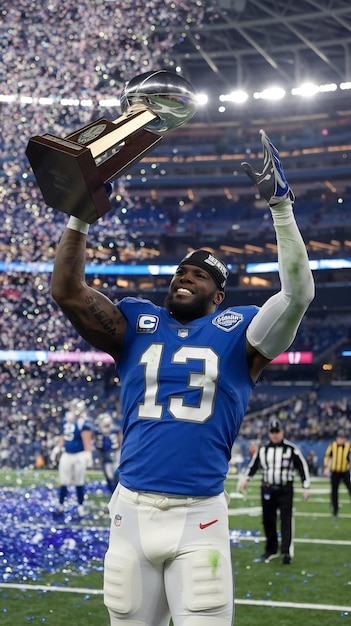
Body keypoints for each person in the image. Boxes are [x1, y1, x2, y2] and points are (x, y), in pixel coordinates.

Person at [50, 129, 314, 626]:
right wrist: (79, 216)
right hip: (129, 510)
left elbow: (298, 295)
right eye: (179, 272)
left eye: (198, 276)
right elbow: (67, 290)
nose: (183, 277)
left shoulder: (239, 333)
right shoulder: (136, 323)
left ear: (219, 297)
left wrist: (281, 208)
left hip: (200, 517)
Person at [238, 416, 310, 565]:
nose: (275, 434)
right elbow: (254, 465)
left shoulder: (291, 449)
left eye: (277, 431)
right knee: (268, 520)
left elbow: (302, 467)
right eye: (272, 431)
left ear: (282, 432)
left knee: (286, 520)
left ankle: (286, 552)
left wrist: (306, 486)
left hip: (285, 489)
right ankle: (271, 549)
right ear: (269, 433)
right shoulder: (262, 449)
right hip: (268, 488)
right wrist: (246, 479)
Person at [50, 398, 93, 517]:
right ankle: (61, 505)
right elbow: (64, 436)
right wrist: (57, 448)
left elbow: (86, 439)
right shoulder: (67, 420)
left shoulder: (84, 422)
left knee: (79, 481)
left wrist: (88, 454)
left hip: (79, 454)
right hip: (67, 454)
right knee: (63, 481)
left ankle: (80, 506)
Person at [323, 429, 351, 517]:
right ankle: (335, 511)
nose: (341, 440)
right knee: (334, 492)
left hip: (345, 471)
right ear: (337, 438)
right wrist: (326, 467)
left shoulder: (348, 446)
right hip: (335, 472)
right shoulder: (332, 445)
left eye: (343, 438)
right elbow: (327, 456)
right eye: (340, 438)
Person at [94, 413, 123, 493]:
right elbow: (96, 443)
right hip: (104, 454)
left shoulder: (115, 429)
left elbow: (120, 441)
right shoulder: (97, 431)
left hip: (115, 452)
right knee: (108, 475)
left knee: (116, 473)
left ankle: (117, 491)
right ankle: (111, 491)